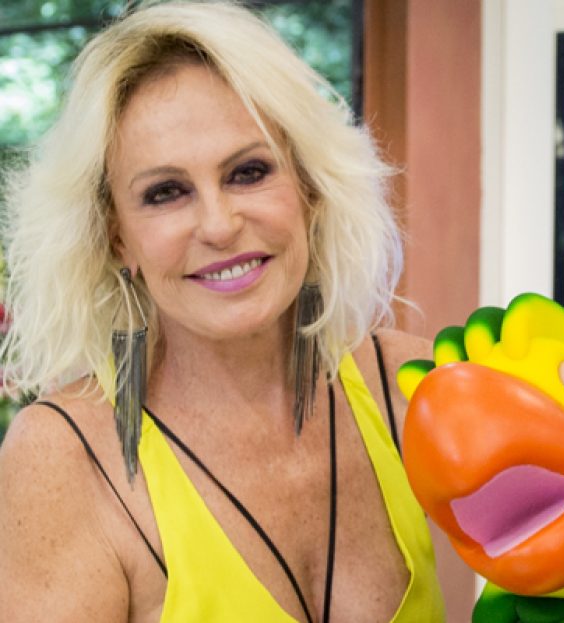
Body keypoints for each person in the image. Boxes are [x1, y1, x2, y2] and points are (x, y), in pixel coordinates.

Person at [0, 2, 445, 621]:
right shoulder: (64, 459)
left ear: (309, 189)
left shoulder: (410, 388)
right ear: (116, 236)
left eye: (248, 172)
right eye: (165, 192)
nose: (218, 224)